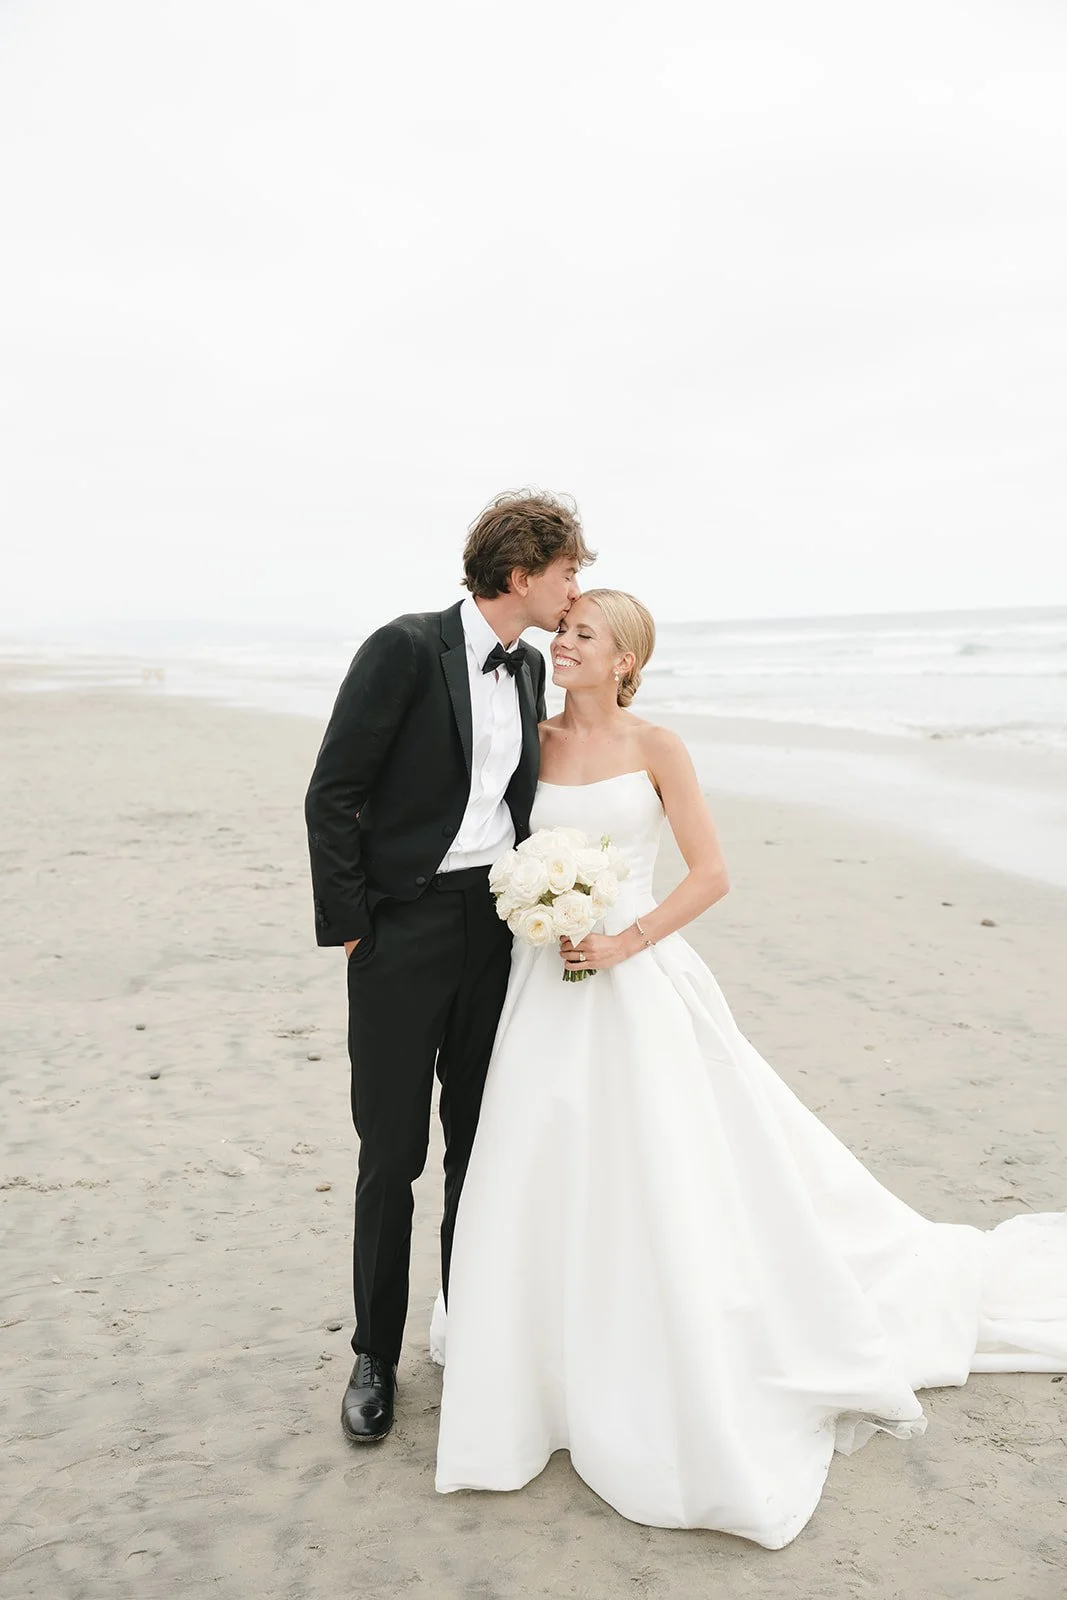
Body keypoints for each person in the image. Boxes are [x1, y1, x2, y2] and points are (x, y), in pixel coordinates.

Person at [433, 588, 1067, 1549]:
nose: (561, 644)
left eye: (582, 636)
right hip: (542, 978)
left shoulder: (658, 748)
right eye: (561, 630)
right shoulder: (533, 736)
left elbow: (709, 874)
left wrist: (623, 940)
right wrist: (536, 910)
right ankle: (537, 1361)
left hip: (634, 977)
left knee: (663, 1164)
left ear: (625, 662)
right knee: (536, 1154)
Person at [304, 490, 594, 1444]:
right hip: (400, 933)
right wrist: (355, 930)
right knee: (392, 1153)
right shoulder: (402, 647)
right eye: (566, 572)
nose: (573, 588)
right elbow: (333, 792)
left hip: (493, 927)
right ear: (521, 573)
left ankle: (468, 1330)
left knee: (479, 1139)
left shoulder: (524, 673)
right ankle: (374, 1355)